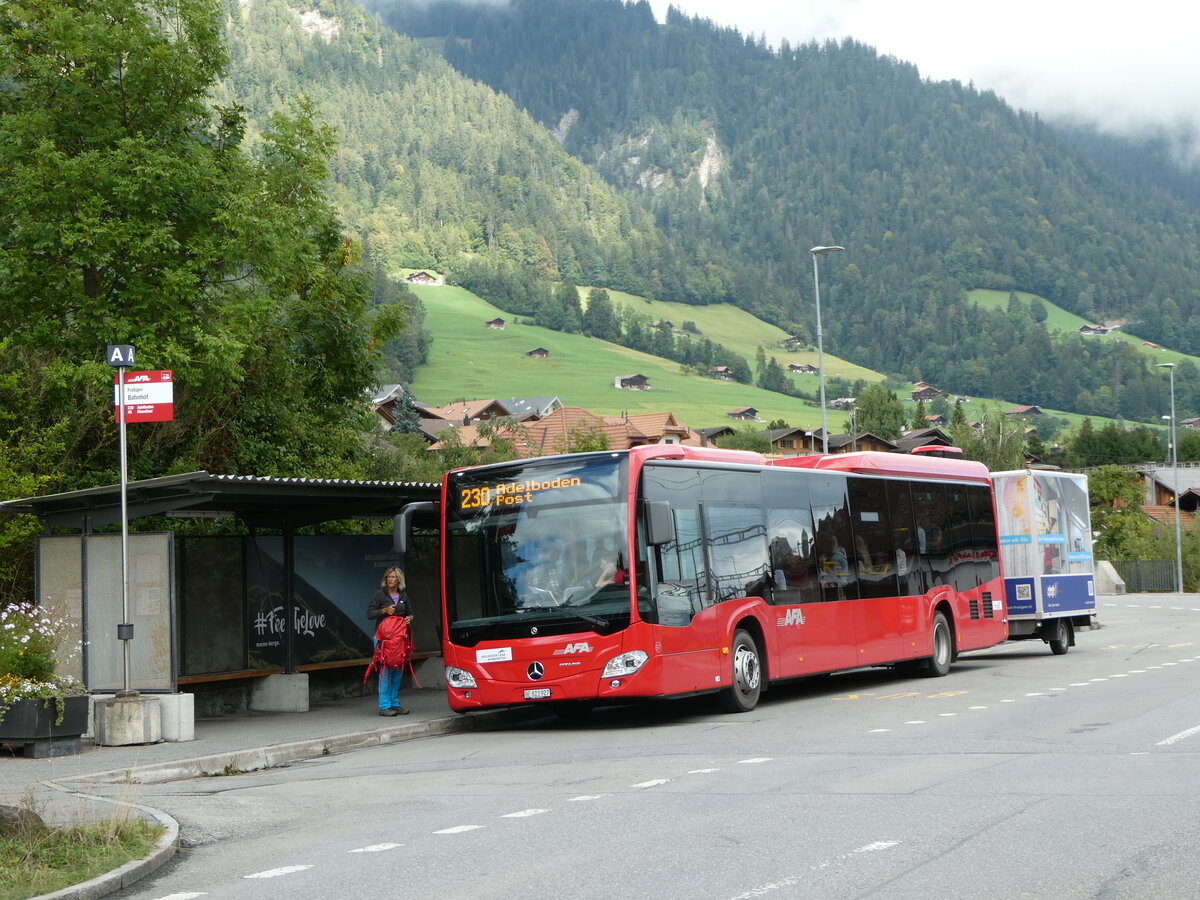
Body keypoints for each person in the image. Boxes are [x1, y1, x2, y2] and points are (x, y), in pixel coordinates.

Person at [367, 567, 412, 716]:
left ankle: (394, 702)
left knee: (397, 671)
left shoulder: (403, 595)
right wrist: (384, 611)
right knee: (385, 671)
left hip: (399, 639)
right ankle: (384, 705)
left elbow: (410, 612)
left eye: (393, 577)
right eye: (388, 577)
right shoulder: (379, 594)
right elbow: (370, 614)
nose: (390, 579)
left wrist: (409, 618)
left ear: (399, 579)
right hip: (383, 639)